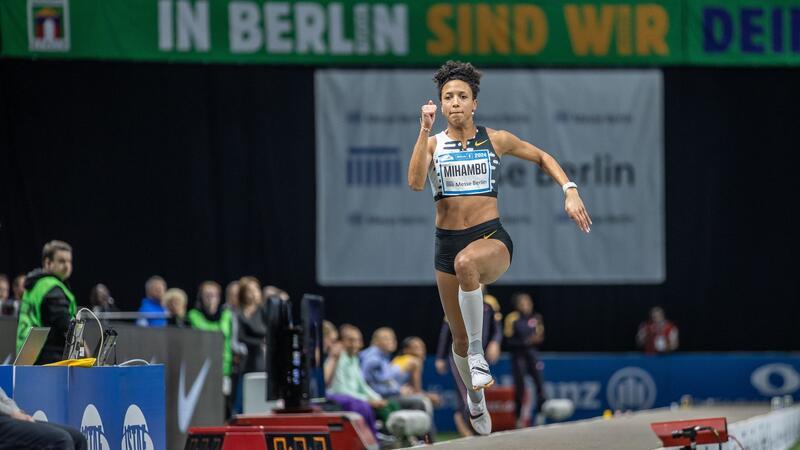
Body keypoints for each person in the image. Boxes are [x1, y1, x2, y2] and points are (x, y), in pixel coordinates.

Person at [408, 60, 592, 435]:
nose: (455, 103)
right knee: (456, 338)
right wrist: (423, 129)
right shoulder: (432, 143)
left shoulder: (496, 139)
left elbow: (541, 156)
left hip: (490, 239)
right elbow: (414, 182)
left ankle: (478, 354)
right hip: (446, 245)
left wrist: (569, 189)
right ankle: (476, 401)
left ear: (474, 103)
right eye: (448, 97)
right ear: (440, 106)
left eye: (462, 96)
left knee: (467, 265)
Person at [434, 289, 502, 437]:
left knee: (479, 390)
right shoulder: (455, 300)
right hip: (459, 354)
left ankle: (471, 428)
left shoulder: (489, 302)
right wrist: (440, 356)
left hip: (480, 354)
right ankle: (468, 432)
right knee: (464, 392)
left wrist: (495, 343)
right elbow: (446, 331)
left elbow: (497, 328)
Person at [16, 240, 78, 364]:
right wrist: (84, 349)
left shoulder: (33, 285)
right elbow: (66, 325)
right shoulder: (51, 287)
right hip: (49, 359)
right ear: (48, 263)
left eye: (69, 261)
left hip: (26, 355)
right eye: (61, 261)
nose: (67, 266)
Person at [187, 281, 235, 416]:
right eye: (207, 295)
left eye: (214, 295)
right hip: (203, 367)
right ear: (200, 297)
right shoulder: (193, 315)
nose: (211, 299)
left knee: (225, 405)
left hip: (224, 368)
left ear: (219, 297)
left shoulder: (227, 315)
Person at [504, 292, 547, 428]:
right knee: (520, 388)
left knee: (540, 385)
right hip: (518, 356)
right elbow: (508, 340)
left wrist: (534, 340)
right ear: (517, 305)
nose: (526, 306)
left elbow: (540, 337)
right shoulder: (512, 318)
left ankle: (540, 416)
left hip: (532, 355)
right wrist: (526, 341)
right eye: (523, 303)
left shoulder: (536, 318)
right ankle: (518, 418)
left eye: (528, 303)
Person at [0, 386, 87, 450]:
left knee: (77, 438)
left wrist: (17, 411)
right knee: (61, 440)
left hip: (8, 416)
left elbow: (4, 398)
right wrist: (12, 413)